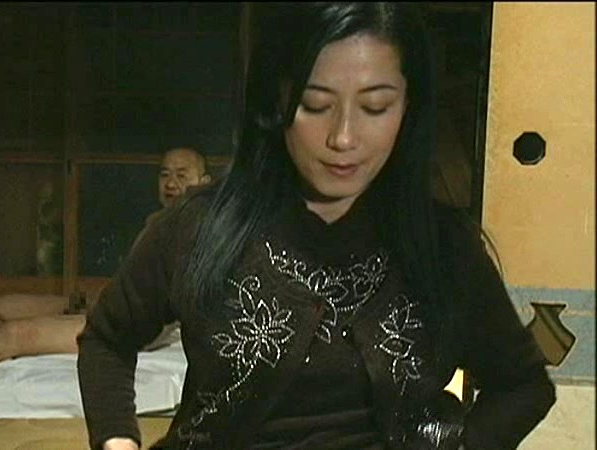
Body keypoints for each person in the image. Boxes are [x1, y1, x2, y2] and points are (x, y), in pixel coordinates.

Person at [76, 4, 555, 450]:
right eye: (314, 104)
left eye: (375, 107)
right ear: (276, 101)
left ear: (408, 108)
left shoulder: (444, 245)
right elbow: (107, 340)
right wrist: (118, 441)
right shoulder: (198, 226)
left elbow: (523, 385)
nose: (343, 138)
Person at [0, 147, 212, 377]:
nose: (171, 183)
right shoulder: (157, 221)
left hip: (132, 329)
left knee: (16, 334)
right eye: (164, 174)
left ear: (204, 182)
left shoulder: (199, 227)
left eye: (182, 175)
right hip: (111, 306)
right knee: (3, 306)